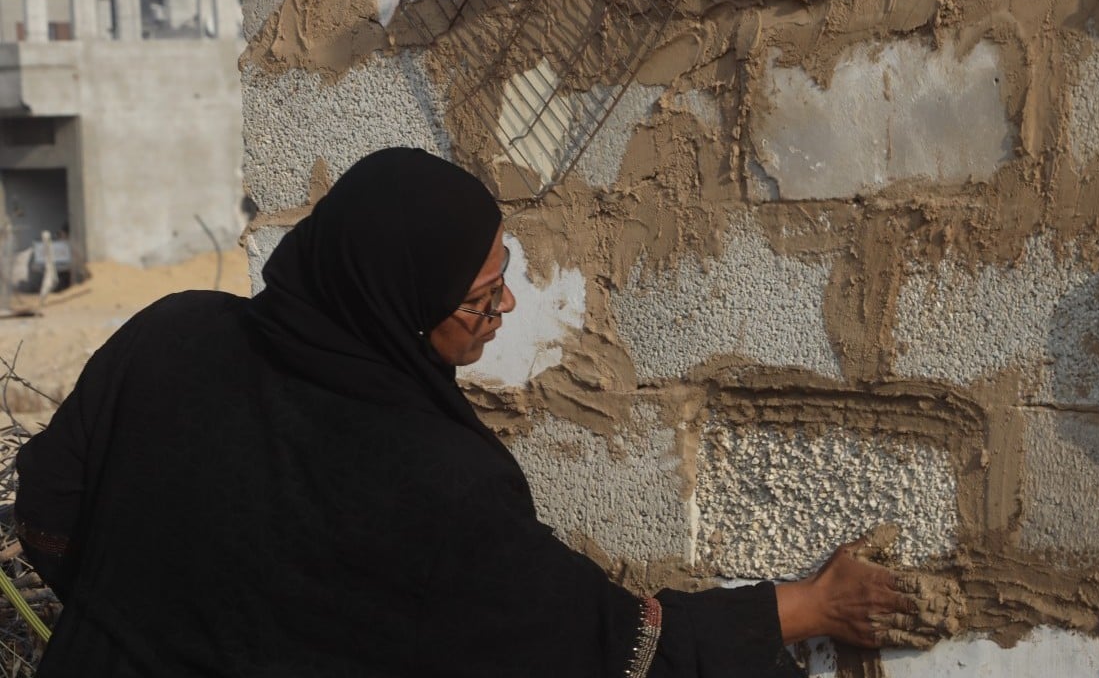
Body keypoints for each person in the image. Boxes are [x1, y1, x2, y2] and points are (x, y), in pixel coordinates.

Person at [14, 148, 929, 677]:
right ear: (395, 303)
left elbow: (50, 510)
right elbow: (604, 648)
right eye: (480, 298)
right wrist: (811, 606)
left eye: (503, 279)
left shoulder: (174, 334)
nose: (505, 310)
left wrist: (139, 615)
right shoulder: (430, 480)